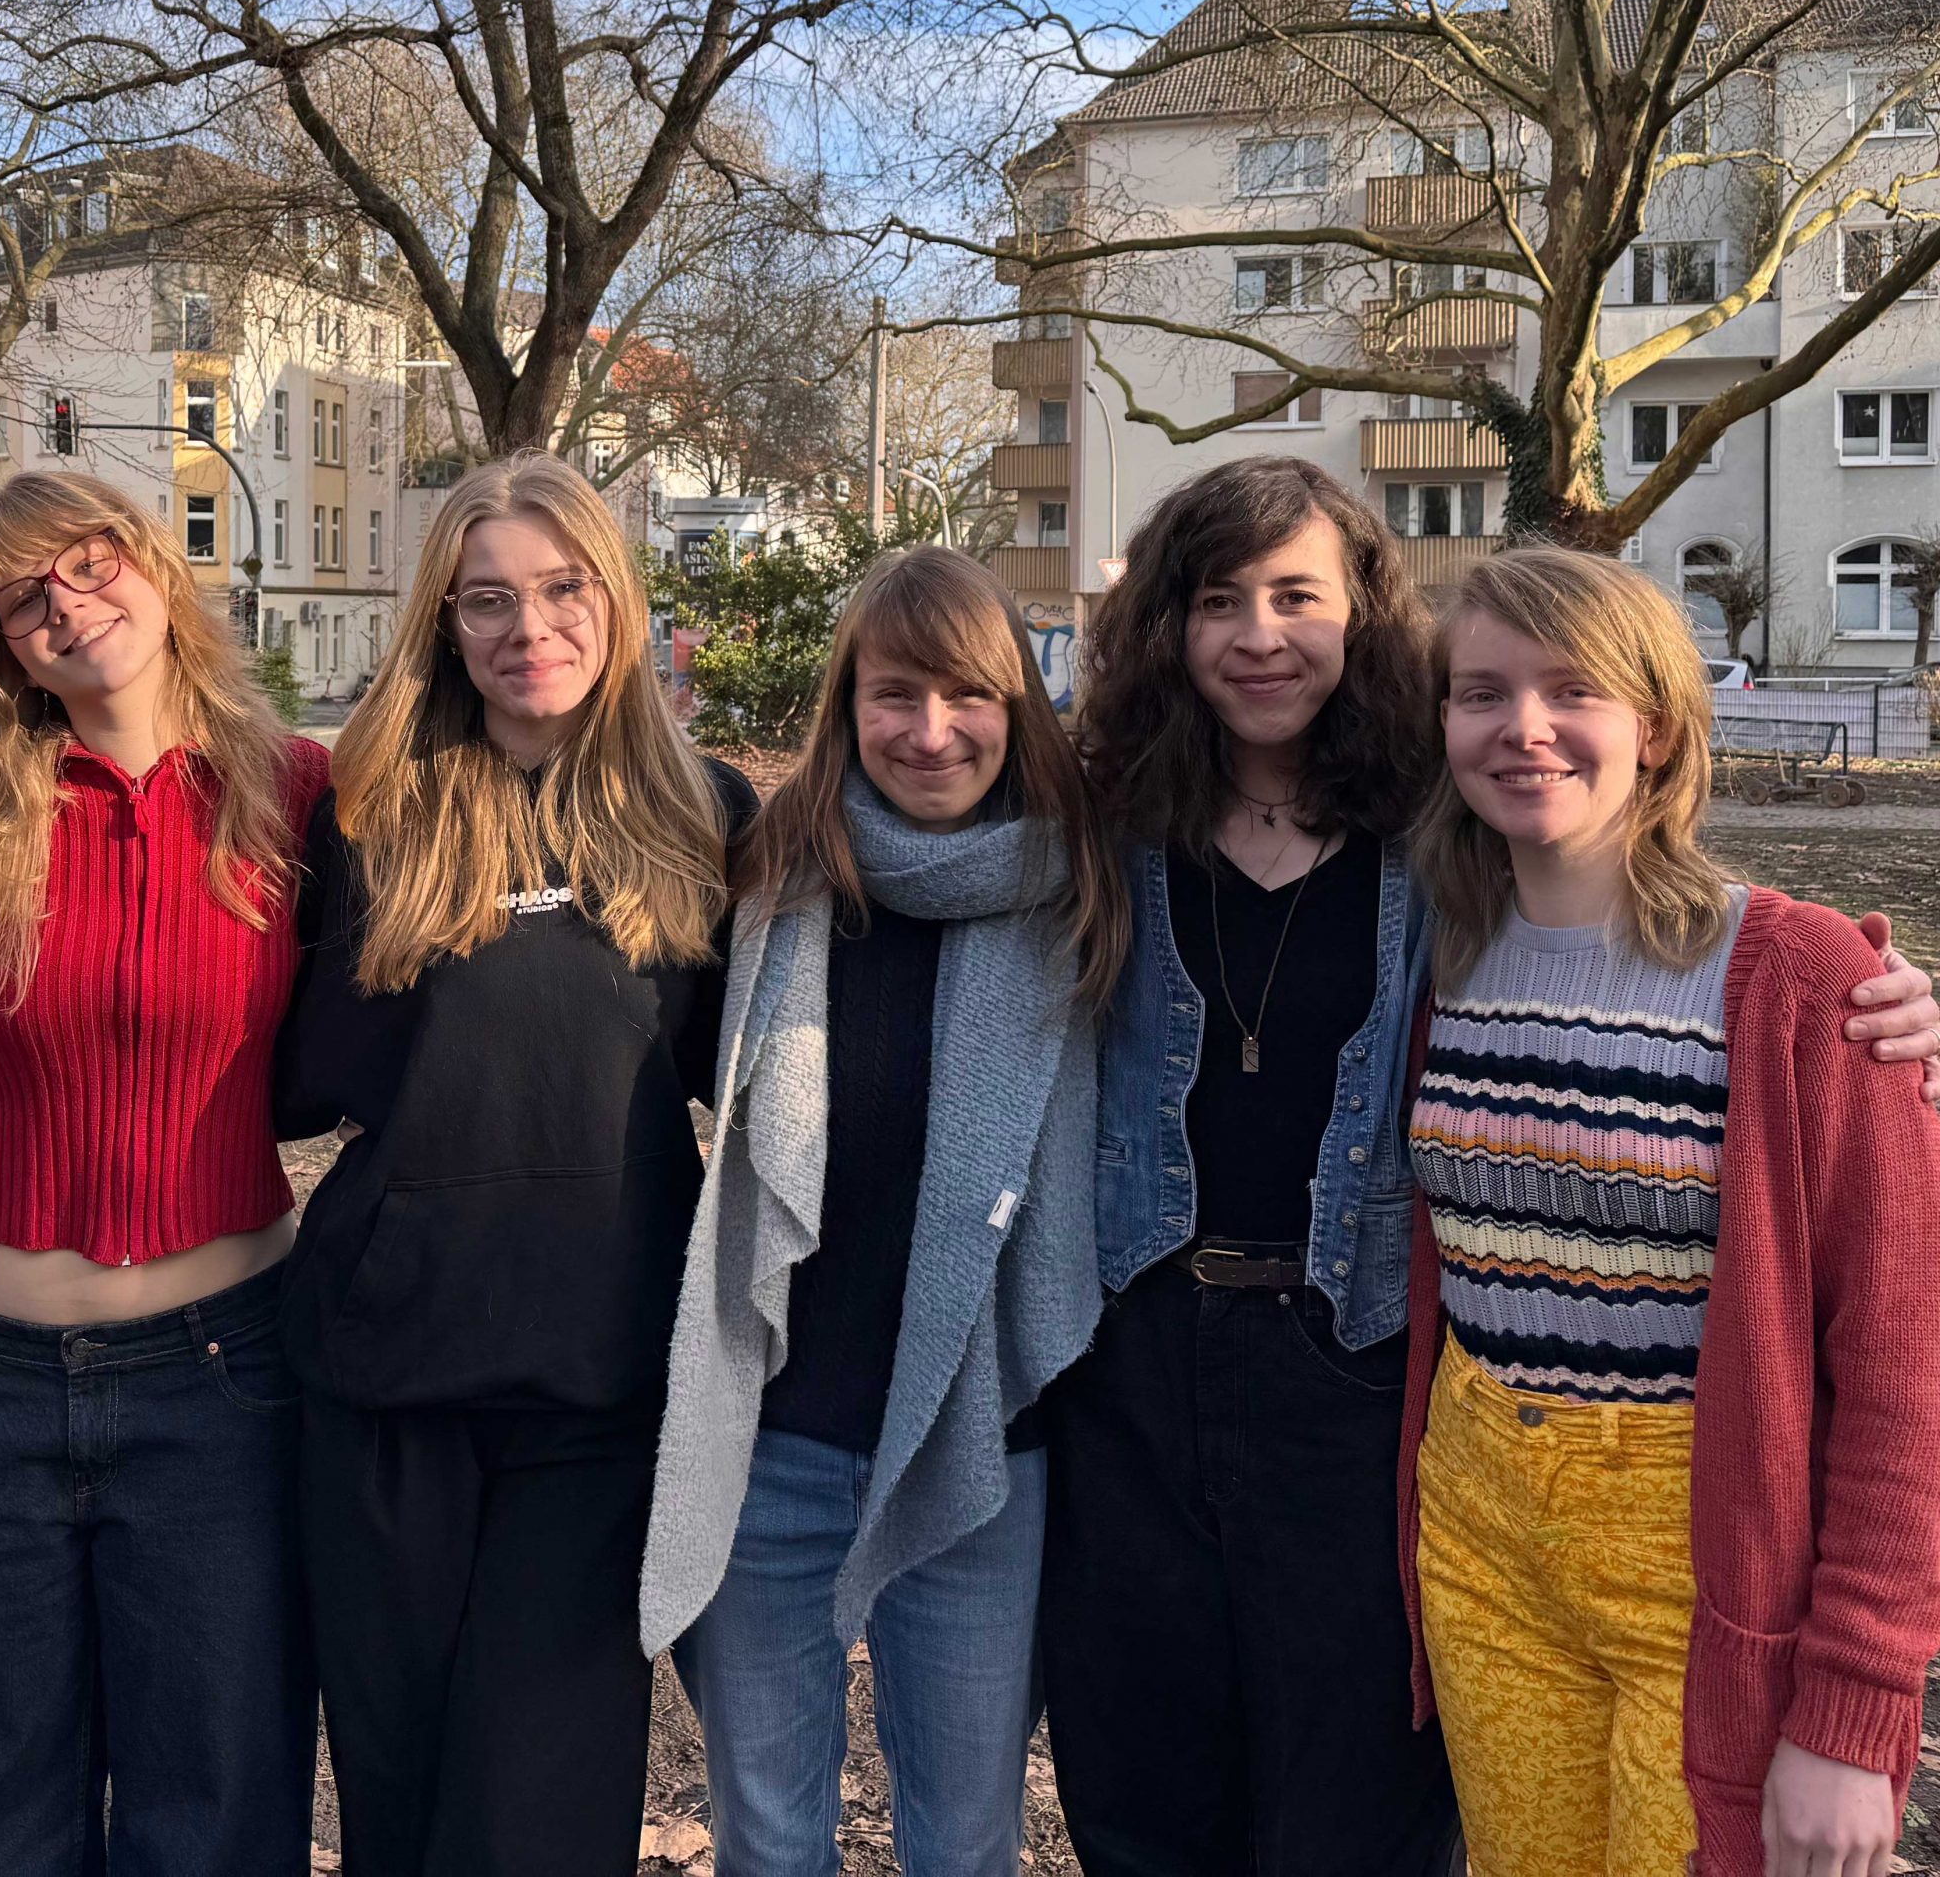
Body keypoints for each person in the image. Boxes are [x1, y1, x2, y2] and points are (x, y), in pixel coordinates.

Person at [1037, 457, 1940, 1877]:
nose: (1260, 634)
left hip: (1401, 1403)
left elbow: (1891, 1342)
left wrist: (1883, 1011)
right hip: (1212, 1407)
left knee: (1362, 1827)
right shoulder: (1122, 838)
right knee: (1151, 1803)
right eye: (1218, 600)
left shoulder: (1436, 862)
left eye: (1297, 595)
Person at [1398, 546, 1940, 1877]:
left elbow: (1901, 1368)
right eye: (1483, 693)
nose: (1524, 727)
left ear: (1655, 726)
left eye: (1571, 689)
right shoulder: (1434, 953)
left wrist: (1859, 1713)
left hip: (1706, 1551)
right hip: (1478, 1528)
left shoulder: (1797, 976)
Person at [275, 450, 753, 1877]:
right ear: (445, 620)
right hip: (384, 1373)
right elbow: (296, 1080)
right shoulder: (370, 816)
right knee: (403, 1797)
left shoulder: (707, 817)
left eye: (561, 590)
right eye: (486, 598)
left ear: (615, 602)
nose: (526, 627)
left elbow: (762, 1085)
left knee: (541, 1807)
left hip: (603, 1386)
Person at [640, 547, 1126, 1876]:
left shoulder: (1084, 892)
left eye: (968, 695)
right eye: (894, 693)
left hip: (983, 1450)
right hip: (775, 1440)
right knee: (768, 1837)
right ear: (847, 704)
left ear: (1018, 708)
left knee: (964, 1843)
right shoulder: (773, 881)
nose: (930, 730)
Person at [0, 472, 326, 1876]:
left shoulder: (297, 796)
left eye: (89, 563)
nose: (68, 606)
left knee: (218, 1812)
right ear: (0, 651)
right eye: (24, 598)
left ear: (155, 566)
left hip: (222, 1380)